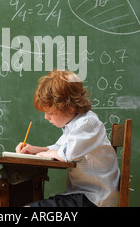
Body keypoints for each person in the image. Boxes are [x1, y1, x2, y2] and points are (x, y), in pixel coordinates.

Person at [16, 69, 120, 207]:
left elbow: (69, 153)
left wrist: (47, 153)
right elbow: (60, 148)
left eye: (50, 113)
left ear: (70, 107)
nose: (46, 117)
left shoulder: (88, 123)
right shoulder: (74, 124)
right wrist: (35, 150)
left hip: (95, 199)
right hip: (82, 196)